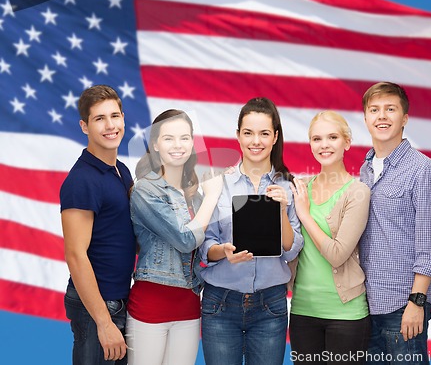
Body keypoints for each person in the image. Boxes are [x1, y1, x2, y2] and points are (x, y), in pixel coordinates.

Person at [199, 97, 304, 365]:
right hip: (220, 303)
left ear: (275, 137)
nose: (255, 141)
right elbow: (204, 246)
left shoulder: (288, 186)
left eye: (264, 133)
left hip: (271, 305)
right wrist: (223, 252)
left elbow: (292, 251)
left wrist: (281, 210)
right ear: (238, 136)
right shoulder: (219, 184)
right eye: (248, 133)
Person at [125, 109, 223, 365]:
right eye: (168, 138)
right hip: (150, 306)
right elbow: (185, 239)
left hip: (189, 307)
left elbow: (204, 249)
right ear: (155, 144)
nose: (178, 145)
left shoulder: (195, 195)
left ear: (192, 143)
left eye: (184, 138)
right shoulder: (146, 189)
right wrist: (213, 196)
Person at [359, 82, 431, 365]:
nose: (381, 116)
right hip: (366, 304)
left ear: (404, 118)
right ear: (366, 118)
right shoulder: (366, 168)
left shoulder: (423, 170)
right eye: (374, 110)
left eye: (390, 109)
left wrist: (416, 303)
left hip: (402, 306)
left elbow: (429, 245)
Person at [60, 85, 136, 364]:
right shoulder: (82, 180)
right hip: (96, 308)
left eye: (114, 116)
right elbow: (75, 255)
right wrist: (104, 322)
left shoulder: (121, 171)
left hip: (120, 300)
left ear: (123, 119)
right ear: (84, 126)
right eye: (99, 119)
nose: (110, 125)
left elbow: (129, 235)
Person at [288, 111, 371, 365]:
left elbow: (337, 254)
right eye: (317, 138)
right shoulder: (300, 188)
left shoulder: (357, 192)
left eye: (332, 137)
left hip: (345, 315)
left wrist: (304, 214)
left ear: (346, 142)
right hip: (303, 311)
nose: (324, 144)